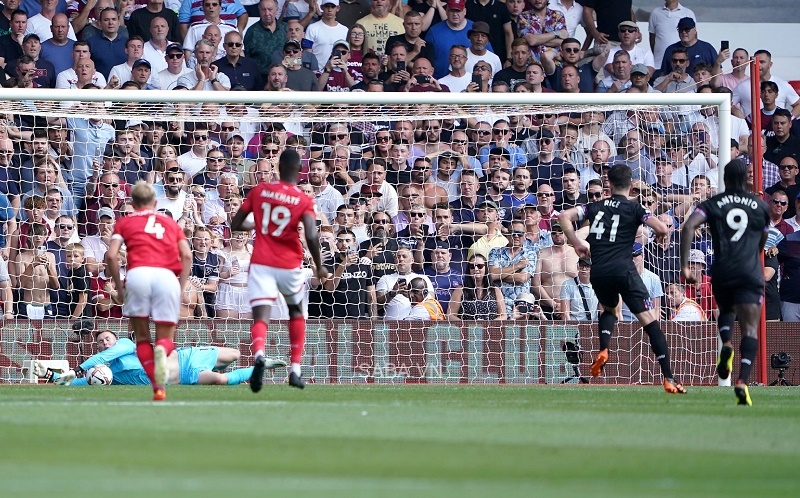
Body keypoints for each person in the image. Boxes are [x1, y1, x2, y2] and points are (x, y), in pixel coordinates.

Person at [559, 164, 687, 395]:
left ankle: (604, 349)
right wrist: (659, 233)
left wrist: (576, 242)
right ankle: (669, 378)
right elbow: (661, 227)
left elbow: (563, 216)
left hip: (599, 271)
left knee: (609, 310)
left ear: (608, 183)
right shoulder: (635, 207)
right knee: (650, 322)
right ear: (630, 186)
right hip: (624, 270)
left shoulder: (594, 206)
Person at [230, 150, 327, 392]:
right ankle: (295, 369)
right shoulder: (303, 199)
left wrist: (261, 224)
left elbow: (236, 223)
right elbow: (311, 234)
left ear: (278, 168)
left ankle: (259, 355)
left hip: (261, 261)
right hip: (290, 263)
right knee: (295, 312)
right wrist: (319, 265)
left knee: (261, 315)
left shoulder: (259, 191)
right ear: (300, 170)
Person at [680, 159, 770, 406]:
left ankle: (726, 344)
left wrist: (685, 266)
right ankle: (742, 381)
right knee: (750, 329)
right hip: (750, 272)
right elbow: (762, 240)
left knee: (726, 311)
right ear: (746, 180)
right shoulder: (761, 206)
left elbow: (688, 227)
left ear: (725, 179)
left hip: (723, 271)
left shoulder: (712, 203)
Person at [105, 181, 193, 402]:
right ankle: (162, 349)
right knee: (166, 338)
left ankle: (157, 388)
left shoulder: (125, 222)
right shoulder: (169, 222)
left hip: (138, 275)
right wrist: (181, 286)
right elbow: (187, 255)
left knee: (142, 338)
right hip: (166, 276)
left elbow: (111, 255)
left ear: (133, 204)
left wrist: (119, 287)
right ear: (155, 202)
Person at [35, 329, 285, 386]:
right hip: (186, 375)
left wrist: (79, 367)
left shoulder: (126, 345)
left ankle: (235, 367)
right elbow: (77, 383)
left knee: (235, 354)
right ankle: (260, 367)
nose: (105, 343)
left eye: (107, 338)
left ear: (115, 339)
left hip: (186, 356)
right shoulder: (111, 376)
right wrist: (50, 376)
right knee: (220, 380)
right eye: (100, 341)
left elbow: (108, 354)